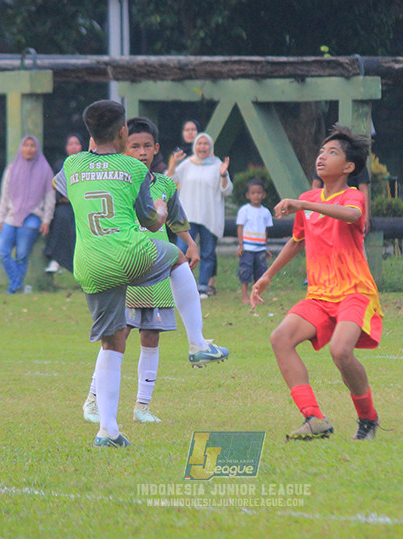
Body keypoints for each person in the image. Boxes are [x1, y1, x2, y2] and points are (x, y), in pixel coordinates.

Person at [53, 100, 229, 448]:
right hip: (129, 253)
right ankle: (197, 343)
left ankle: (107, 430)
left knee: (112, 343)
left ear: (90, 137)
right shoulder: (133, 171)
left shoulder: (72, 164)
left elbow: (66, 190)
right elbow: (152, 221)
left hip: (88, 263)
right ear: (122, 134)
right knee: (177, 257)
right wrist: (161, 208)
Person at [251, 125, 384, 442]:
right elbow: (297, 241)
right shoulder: (308, 200)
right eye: (322, 151)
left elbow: (351, 216)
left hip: (355, 292)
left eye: (333, 152)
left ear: (349, 167)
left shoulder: (352, 196)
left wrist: (304, 205)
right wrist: (268, 275)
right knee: (280, 337)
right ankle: (314, 418)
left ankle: (368, 419)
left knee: (340, 351)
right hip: (319, 296)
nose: (322, 156)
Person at [81, 117, 202, 425]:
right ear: (123, 146)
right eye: (135, 145)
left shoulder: (163, 183)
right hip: (127, 265)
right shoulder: (121, 179)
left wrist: (190, 243)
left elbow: (175, 218)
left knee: (152, 336)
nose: (142, 151)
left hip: (158, 271)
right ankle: (93, 400)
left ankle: (142, 406)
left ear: (156, 148)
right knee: (118, 333)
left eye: (148, 146)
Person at [167, 132, 232, 296]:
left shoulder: (218, 165)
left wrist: (223, 174)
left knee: (207, 252)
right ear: (195, 146)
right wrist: (174, 164)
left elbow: (227, 190)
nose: (202, 147)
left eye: (205, 144)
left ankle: (203, 286)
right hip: (188, 215)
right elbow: (169, 180)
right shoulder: (187, 164)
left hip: (210, 216)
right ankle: (180, 286)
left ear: (210, 147)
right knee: (181, 250)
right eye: (199, 143)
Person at [0, 135, 55, 294]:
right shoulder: (11, 169)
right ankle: (17, 284)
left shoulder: (45, 169)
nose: (29, 149)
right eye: (26, 145)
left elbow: (50, 197)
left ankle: (15, 287)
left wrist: (46, 220)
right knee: (1, 249)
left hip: (33, 217)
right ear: (21, 148)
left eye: (32, 146)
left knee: (22, 255)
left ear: (37, 149)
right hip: (12, 216)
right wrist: (0, 219)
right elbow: (4, 196)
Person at [44, 132, 85, 275]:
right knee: (61, 218)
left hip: (83, 205)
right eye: (70, 144)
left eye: (76, 143)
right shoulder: (60, 164)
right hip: (64, 205)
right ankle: (56, 260)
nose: (73, 147)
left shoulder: (87, 164)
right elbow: (54, 187)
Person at [236, 178, 273, 304]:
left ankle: (256, 295)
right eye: (253, 193)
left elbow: (265, 231)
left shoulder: (266, 212)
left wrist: (265, 247)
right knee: (245, 271)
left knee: (261, 272)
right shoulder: (244, 210)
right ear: (248, 195)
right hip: (248, 248)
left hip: (260, 249)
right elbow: (240, 227)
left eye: (259, 193)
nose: (256, 196)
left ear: (263, 194)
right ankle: (244, 295)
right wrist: (241, 245)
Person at [311, 162, 371, 235]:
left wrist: (365, 217)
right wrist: (318, 210)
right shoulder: (323, 162)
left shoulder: (358, 163)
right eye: (322, 151)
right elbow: (315, 186)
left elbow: (364, 190)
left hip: (350, 213)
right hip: (326, 213)